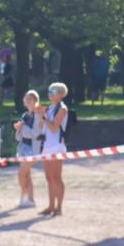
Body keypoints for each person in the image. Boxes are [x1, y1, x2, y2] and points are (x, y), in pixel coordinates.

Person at [37, 82, 69, 216]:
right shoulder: (49, 108)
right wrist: (40, 115)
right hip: (47, 146)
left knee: (56, 177)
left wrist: (43, 116)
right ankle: (50, 206)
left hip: (56, 146)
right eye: (49, 90)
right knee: (49, 177)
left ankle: (59, 207)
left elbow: (54, 127)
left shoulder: (62, 108)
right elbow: (41, 127)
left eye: (54, 91)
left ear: (61, 94)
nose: (50, 93)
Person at [13, 90, 44, 209]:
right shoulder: (25, 115)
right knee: (26, 175)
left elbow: (36, 134)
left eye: (30, 99)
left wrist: (23, 127)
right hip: (23, 147)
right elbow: (21, 135)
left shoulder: (39, 114)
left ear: (36, 101)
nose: (27, 101)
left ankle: (24, 195)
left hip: (33, 149)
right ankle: (30, 199)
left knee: (21, 174)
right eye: (26, 98)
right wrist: (18, 129)